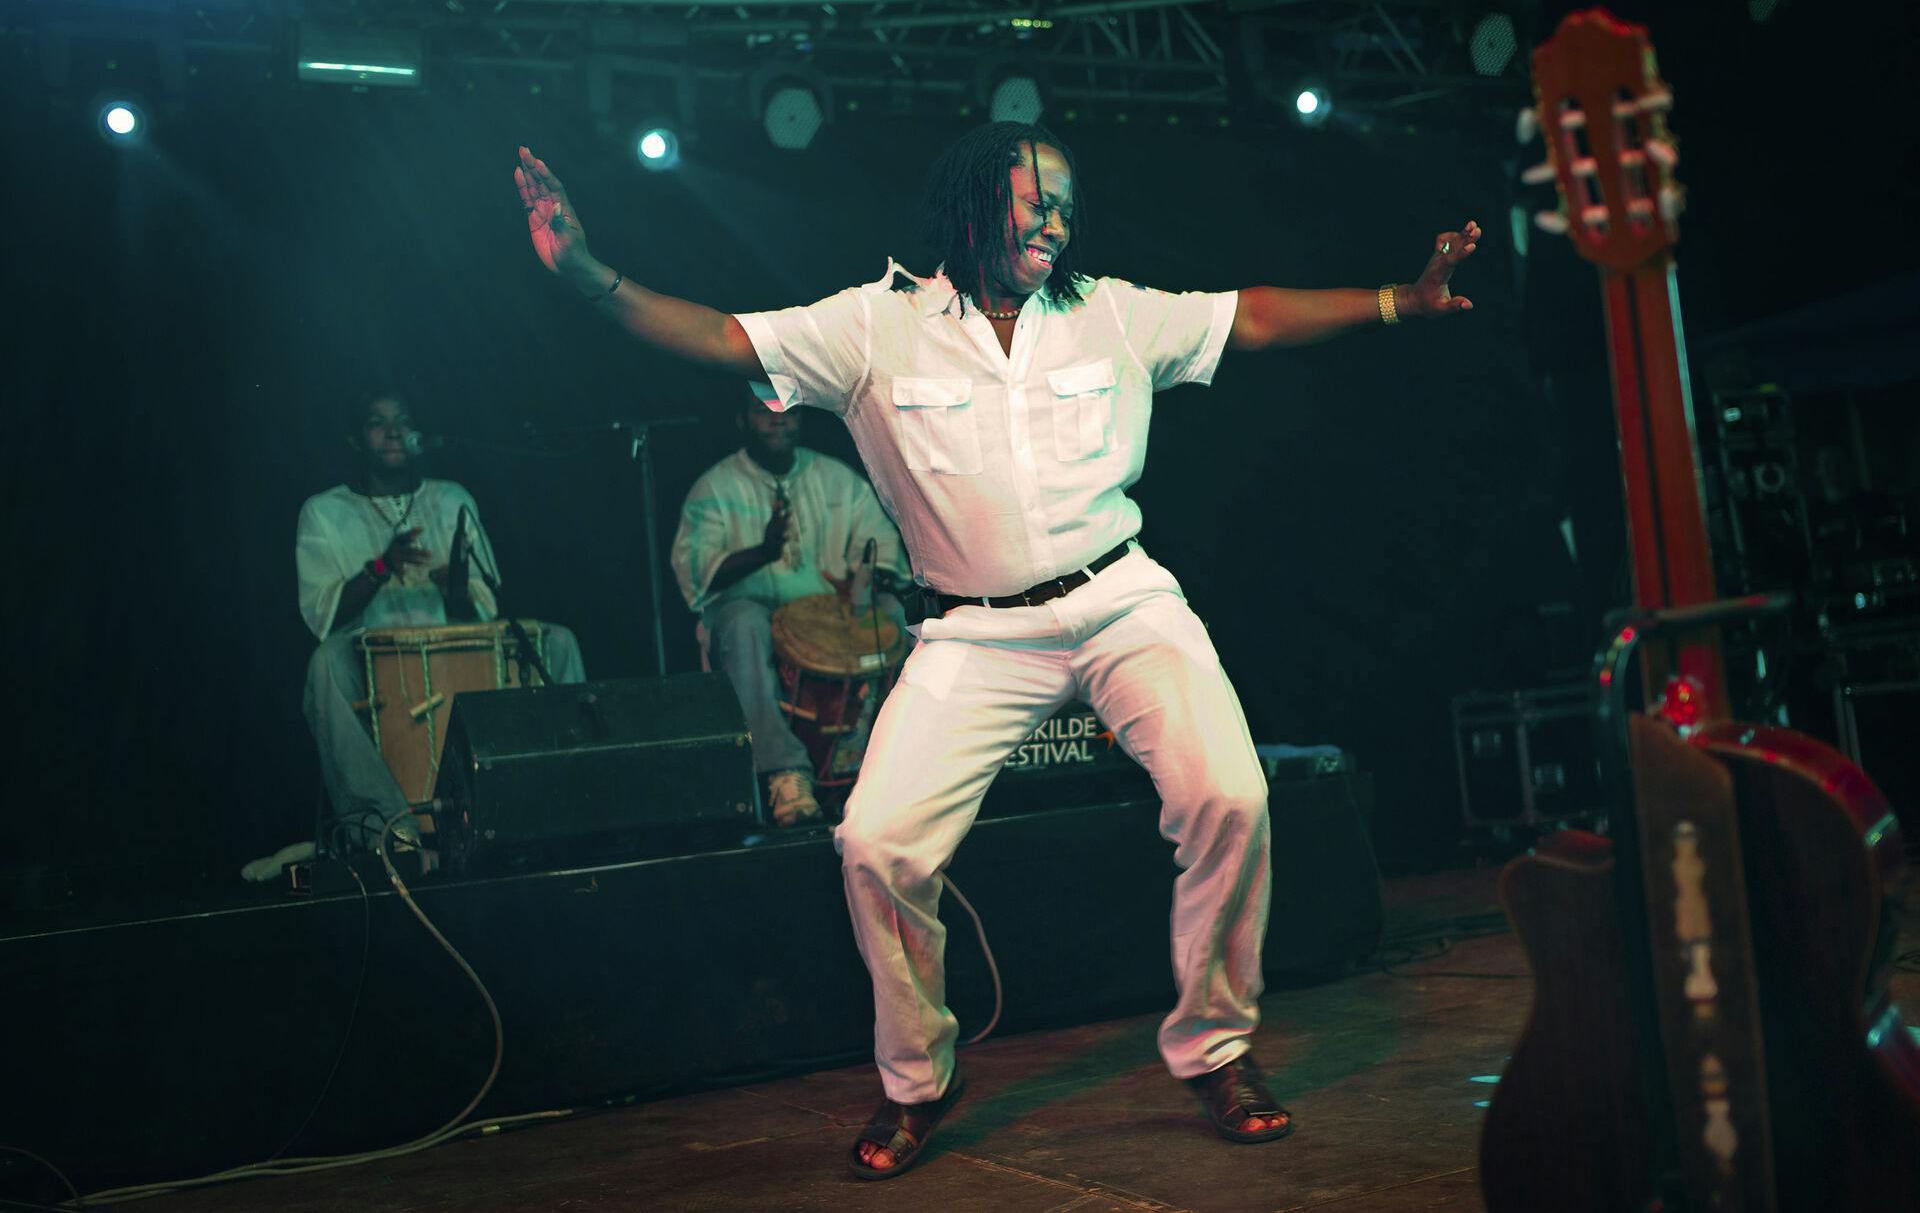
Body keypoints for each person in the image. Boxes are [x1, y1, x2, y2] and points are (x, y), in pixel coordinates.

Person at [513, 124, 1480, 1176]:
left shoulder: (1110, 310)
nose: (1057, 220)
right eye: (1036, 200)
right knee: (877, 846)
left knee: (1231, 800)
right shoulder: (874, 327)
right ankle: (919, 1080)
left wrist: (1397, 300)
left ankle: (1215, 1049)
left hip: (1120, 599)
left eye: (1067, 202)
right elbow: (721, 341)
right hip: (974, 630)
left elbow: (1247, 317)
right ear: (975, 203)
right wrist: (585, 274)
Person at [296, 389, 586, 855]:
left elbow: (486, 604)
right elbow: (321, 616)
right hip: (371, 655)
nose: (394, 431)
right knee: (323, 664)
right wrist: (380, 568)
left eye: (402, 420)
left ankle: (567, 805)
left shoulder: (452, 499)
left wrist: (457, 591)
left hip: (458, 644)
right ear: (354, 439)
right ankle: (389, 833)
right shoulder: (325, 511)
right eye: (377, 422)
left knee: (561, 642)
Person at [671, 388, 908, 826]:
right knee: (741, 623)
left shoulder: (838, 479)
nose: (777, 420)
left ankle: (886, 760)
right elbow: (698, 576)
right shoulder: (716, 486)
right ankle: (785, 773)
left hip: (834, 614)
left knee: (893, 613)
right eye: (764, 412)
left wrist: (867, 578)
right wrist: (762, 551)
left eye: (787, 411)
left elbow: (883, 550)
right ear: (742, 421)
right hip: (757, 612)